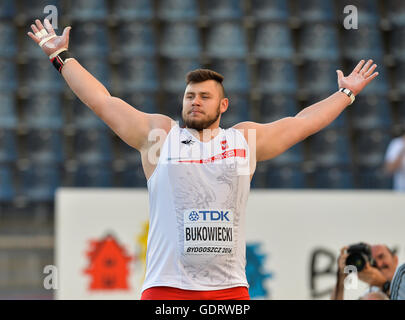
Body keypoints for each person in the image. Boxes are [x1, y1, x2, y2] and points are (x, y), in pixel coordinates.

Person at [28, 19, 379, 300]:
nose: (195, 101)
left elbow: (302, 123)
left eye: (205, 97)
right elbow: (102, 102)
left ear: (222, 105)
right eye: (190, 96)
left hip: (228, 291)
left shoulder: (243, 140)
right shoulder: (159, 136)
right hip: (165, 289)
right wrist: (60, 57)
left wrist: (346, 93)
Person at [332, 244, 399, 300]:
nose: (378, 263)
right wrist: (341, 277)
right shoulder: (368, 294)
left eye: (381, 257)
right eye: (372, 260)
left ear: (395, 260)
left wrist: (383, 284)